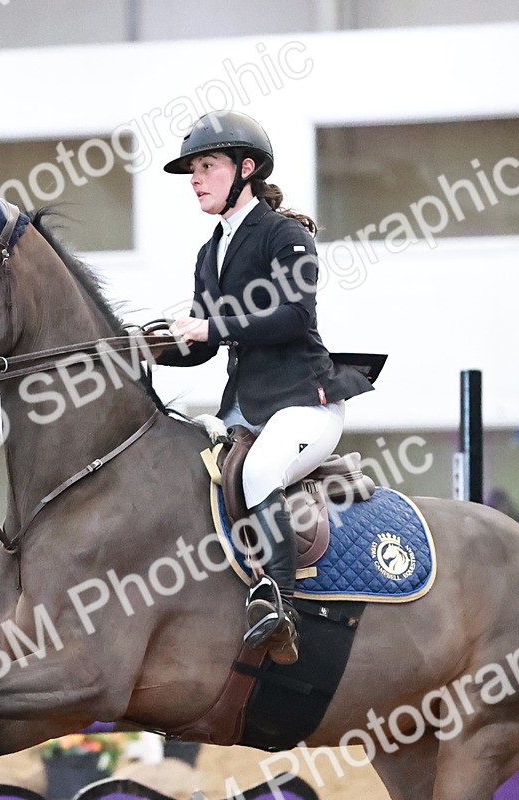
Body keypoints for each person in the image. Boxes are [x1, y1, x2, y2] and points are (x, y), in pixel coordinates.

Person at [156, 111, 374, 665]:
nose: (196, 179)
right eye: (192, 171)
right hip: (244, 409)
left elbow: (294, 317)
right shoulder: (210, 253)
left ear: (245, 169)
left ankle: (279, 606)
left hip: (306, 403)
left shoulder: (286, 236)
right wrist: (144, 351)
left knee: (256, 472)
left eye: (207, 167)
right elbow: (203, 347)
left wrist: (210, 326)